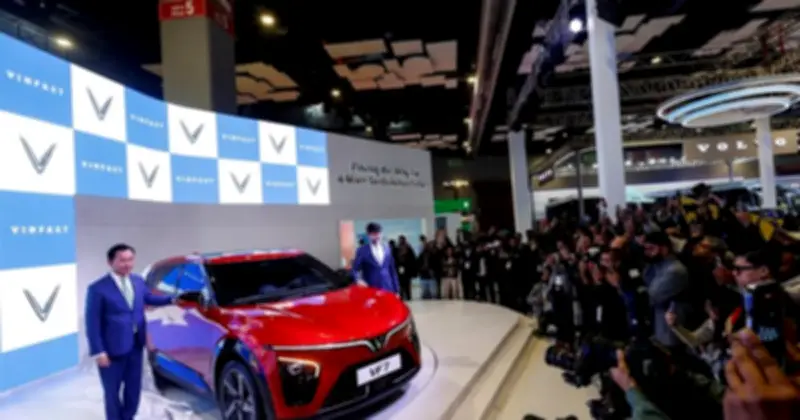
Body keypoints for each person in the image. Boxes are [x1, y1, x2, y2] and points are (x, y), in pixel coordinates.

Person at [85, 243, 177, 420]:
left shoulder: (138, 281)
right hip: (111, 350)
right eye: (122, 260)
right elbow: (92, 323)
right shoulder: (97, 288)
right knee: (112, 393)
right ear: (110, 262)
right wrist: (99, 351)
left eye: (130, 260)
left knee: (133, 390)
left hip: (135, 345)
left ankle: (128, 417)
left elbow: (149, 298)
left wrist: (172, 299)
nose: (127, 264)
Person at [351, 222, 400, 294]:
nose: (376, 236)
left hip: (388, 288)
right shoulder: (362, 250)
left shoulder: (387, 249)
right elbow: (355, 269)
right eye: (373, 234)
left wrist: (396, 290)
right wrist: (358, 280)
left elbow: (392, 270)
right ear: (368, 235)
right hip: (371, 288)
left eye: (378, 233)